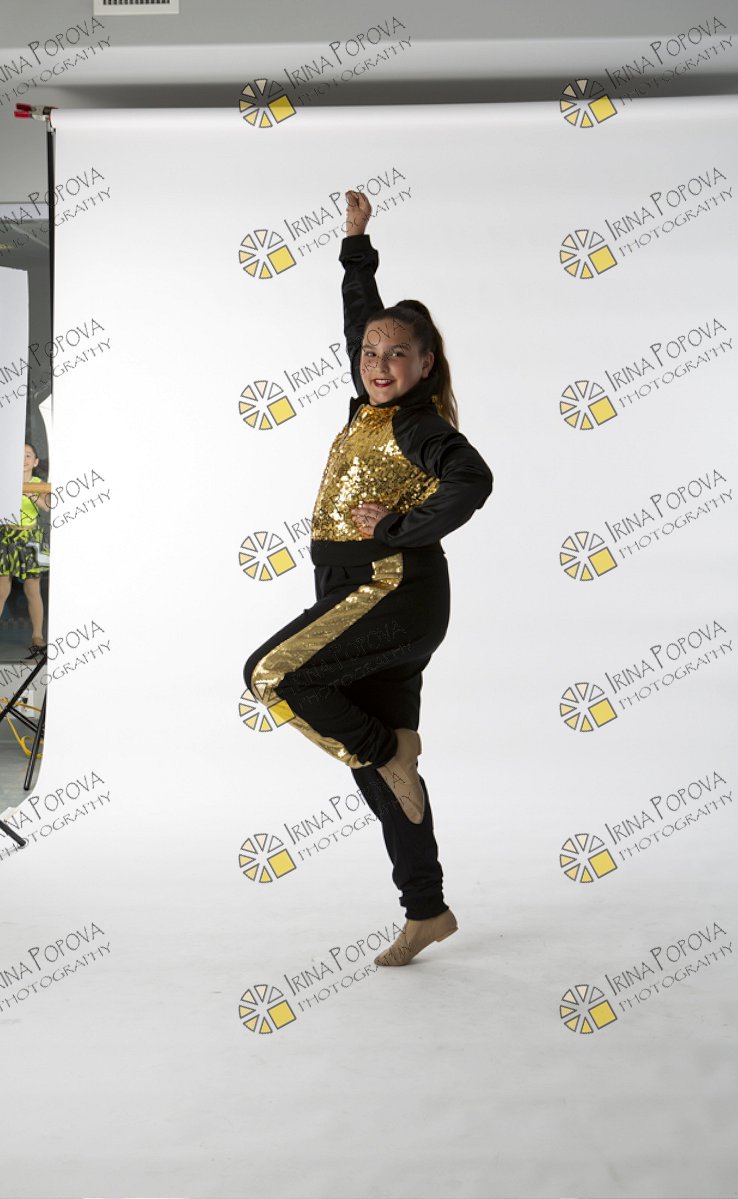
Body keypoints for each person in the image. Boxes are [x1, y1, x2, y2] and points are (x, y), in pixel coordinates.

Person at [244, 191, 493, 966]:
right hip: (354, 593)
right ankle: (427, 909)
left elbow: (473, 480)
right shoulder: (369, 406)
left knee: (273, 675)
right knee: (382, 771)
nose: (379, 364)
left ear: (425, 364)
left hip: (392, 591)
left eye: (397, 355)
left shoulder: (419, 424)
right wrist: (357, 243)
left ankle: (390, 749)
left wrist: (396, 527)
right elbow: (361, 317)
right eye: (370, 353)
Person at [0, 442, 50, 654]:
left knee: (32, 590)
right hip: (7, 538)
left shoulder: (40, 483)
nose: (24, 459)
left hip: (30, 539)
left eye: (28, 455)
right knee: (1, 590)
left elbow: (48, 506)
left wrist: (32, 494)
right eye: (19, 455)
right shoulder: (6, 482)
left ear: (35, 461)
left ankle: (37, 635)